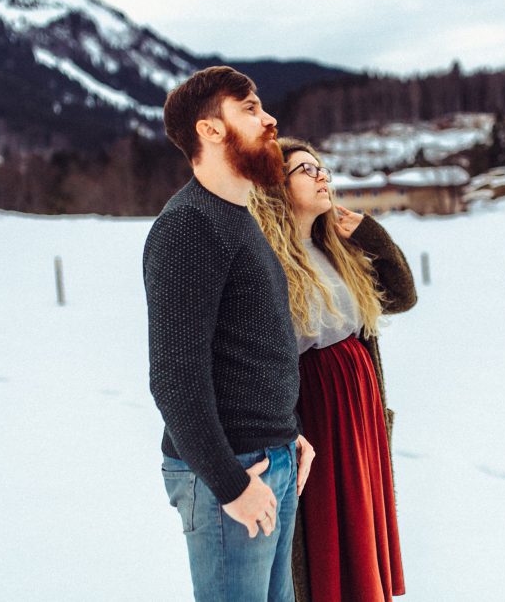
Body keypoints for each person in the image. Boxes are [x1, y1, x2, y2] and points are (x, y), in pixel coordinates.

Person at [143, 66, 315, 602]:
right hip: (229, 473)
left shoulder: (238, 217)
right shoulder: (187, 226)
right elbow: (173, 378)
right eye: (249, 109)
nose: (269, 120)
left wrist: (288, 432)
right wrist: (229, 483)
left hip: (270, 457)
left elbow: (254, 349)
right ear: (210, 130)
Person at [249, 138, 416, 601]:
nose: (322, 175)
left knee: (361, 518)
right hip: (316, 410)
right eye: (306, 169)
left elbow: (402, 296)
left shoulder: (335, 248)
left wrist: (372, 238)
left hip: (359, 406)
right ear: (275, 186)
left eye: (322, 167)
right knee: (325, 532)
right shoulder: (267, 261)